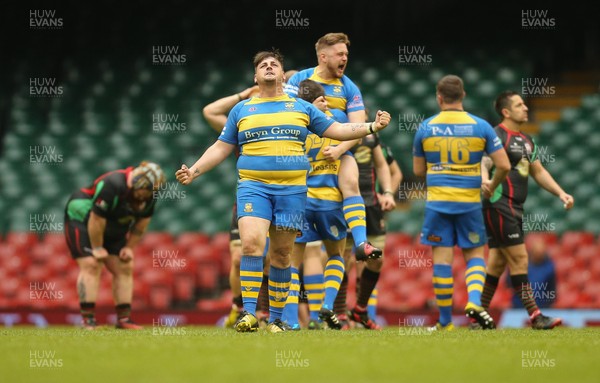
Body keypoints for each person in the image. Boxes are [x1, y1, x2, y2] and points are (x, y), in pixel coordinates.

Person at [176, 49, 391, 333]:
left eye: (273, 64)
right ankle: (250, 315)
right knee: (252, 243)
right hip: (253, 187)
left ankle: (277, 318)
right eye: (262, 65)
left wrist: (371, 126)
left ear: (281, 73)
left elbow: (337, 130)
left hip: (292, 192)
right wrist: (194, 170)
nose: (268, 66)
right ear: (256, 76)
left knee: (281, 254)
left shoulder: (300, 107)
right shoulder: (243, 110)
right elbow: (221, 147)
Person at [412, 75, 510, 331]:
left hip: (438, 204)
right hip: (469, 203)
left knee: (442, 262)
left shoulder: (426, 127)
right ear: (463, 95)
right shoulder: (481, 126)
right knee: (475, 256)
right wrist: (491, 185)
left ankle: (445, 322)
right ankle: (475, 302)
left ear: (439, 97)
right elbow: (504, 165)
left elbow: (419, 170)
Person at [285, 32, 388, 261]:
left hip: (337, 155)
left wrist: (340, 149)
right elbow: (286, 115)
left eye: (346, 54)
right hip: (305, 155)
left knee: (351, 182)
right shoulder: (298, 80)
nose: (345, 58)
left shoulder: (349, 88)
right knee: (292, 253)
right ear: (323, 56)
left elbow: (359, 127)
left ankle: (361, 243)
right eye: (340, 54)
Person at [479, 91, 573, 330]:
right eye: (520, 105)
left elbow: (539, 171)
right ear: (506, 112)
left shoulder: (527, 141)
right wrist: (484, 181)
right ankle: (536, 316)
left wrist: (561, 192)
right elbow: (484, 162)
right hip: (499, 204)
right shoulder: (496, 135)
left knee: (497, 263)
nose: (526, 108)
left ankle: (477, 317)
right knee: (520, 258)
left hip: (514, 208)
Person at [64, 161, 166, 330]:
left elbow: (141, 225)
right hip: (82, 218)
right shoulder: (113, 184)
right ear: (137, 184)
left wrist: (129, 248)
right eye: (145, 191)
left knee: (125, 266)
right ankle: (88, 321)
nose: (147, 196)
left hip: (112, 222)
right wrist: (97, 248)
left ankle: (124, 319)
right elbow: (96, 220)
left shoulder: (150, 194)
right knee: (91, 264)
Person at [508, 237, 557, 309]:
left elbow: (551, 288)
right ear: (532, 251)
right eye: (537, 253)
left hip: (541, 307)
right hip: (520, 307)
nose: (539, 255)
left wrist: (548, 304)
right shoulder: (520, 263)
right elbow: (510, 282)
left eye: (541, 253)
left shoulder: (549, 267)